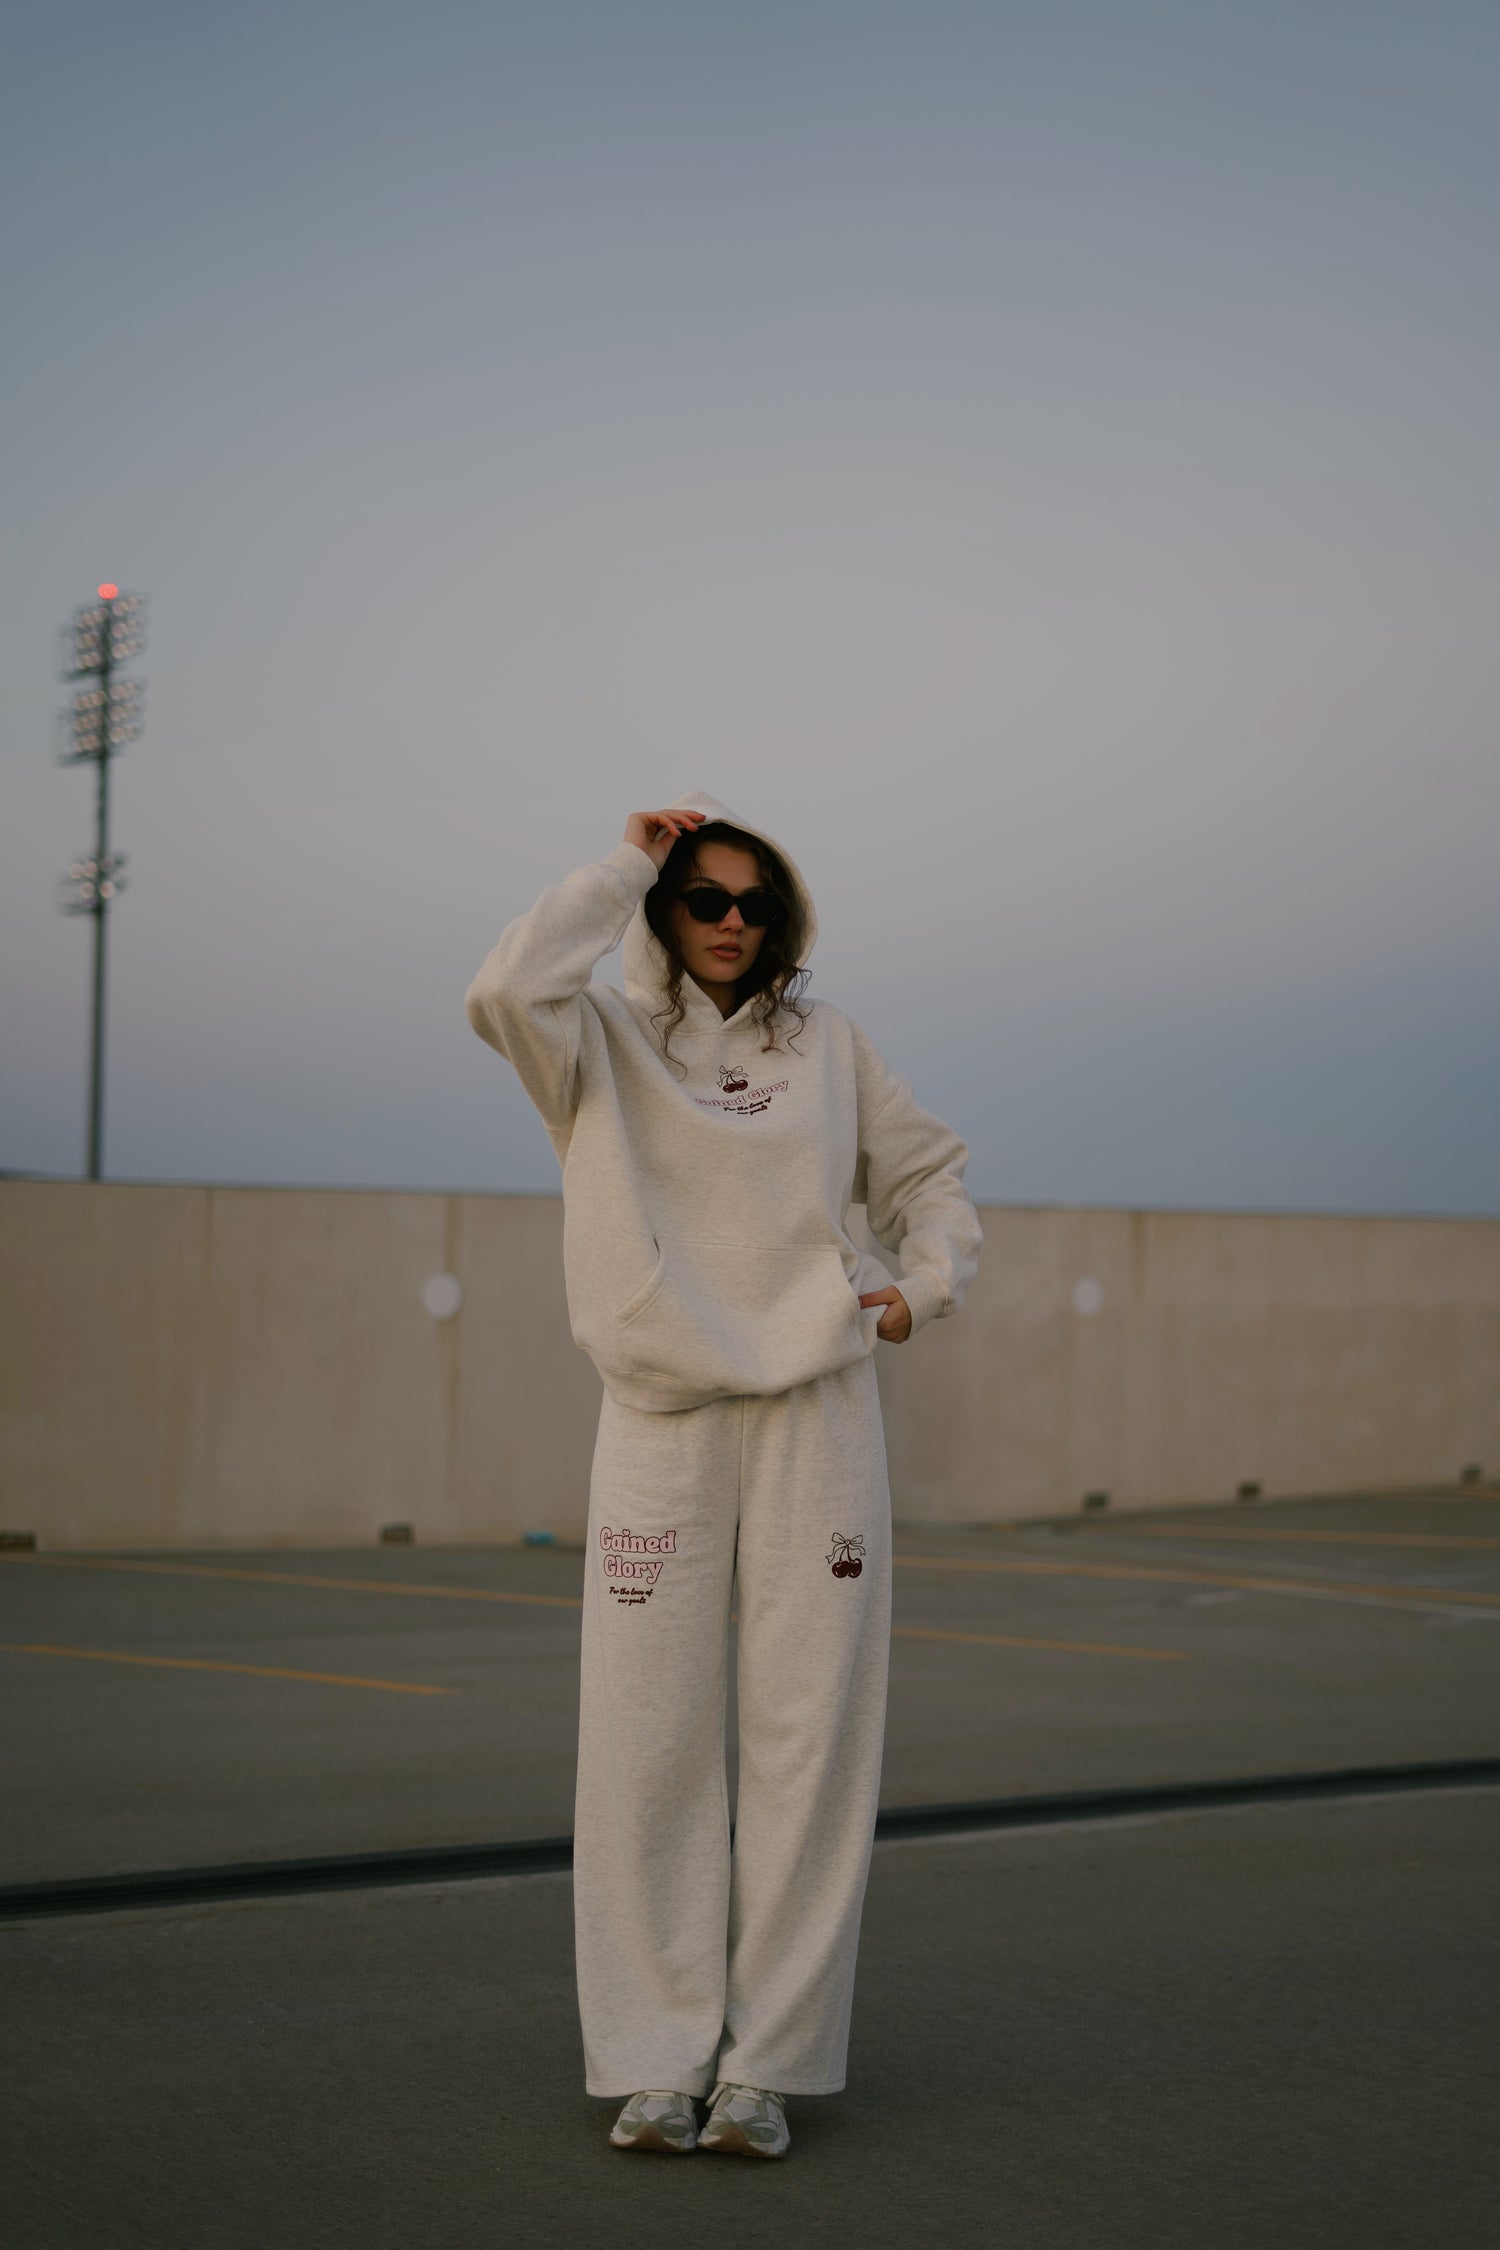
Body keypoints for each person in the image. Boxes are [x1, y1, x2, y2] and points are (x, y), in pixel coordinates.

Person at [464, 790, 982, 2159]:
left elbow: (930, 1174)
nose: (732, 921)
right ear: (663, 907)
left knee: (811, 1739)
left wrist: (922, 1285)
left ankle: (764, 2068)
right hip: (660, 1412)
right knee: (648, 1741)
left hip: (818, 1404)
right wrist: (621, 862)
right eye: (704, 896)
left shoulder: (831, 1047)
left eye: (755, 901)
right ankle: (656, 2059)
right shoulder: (596, 1038)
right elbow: (504, 988)